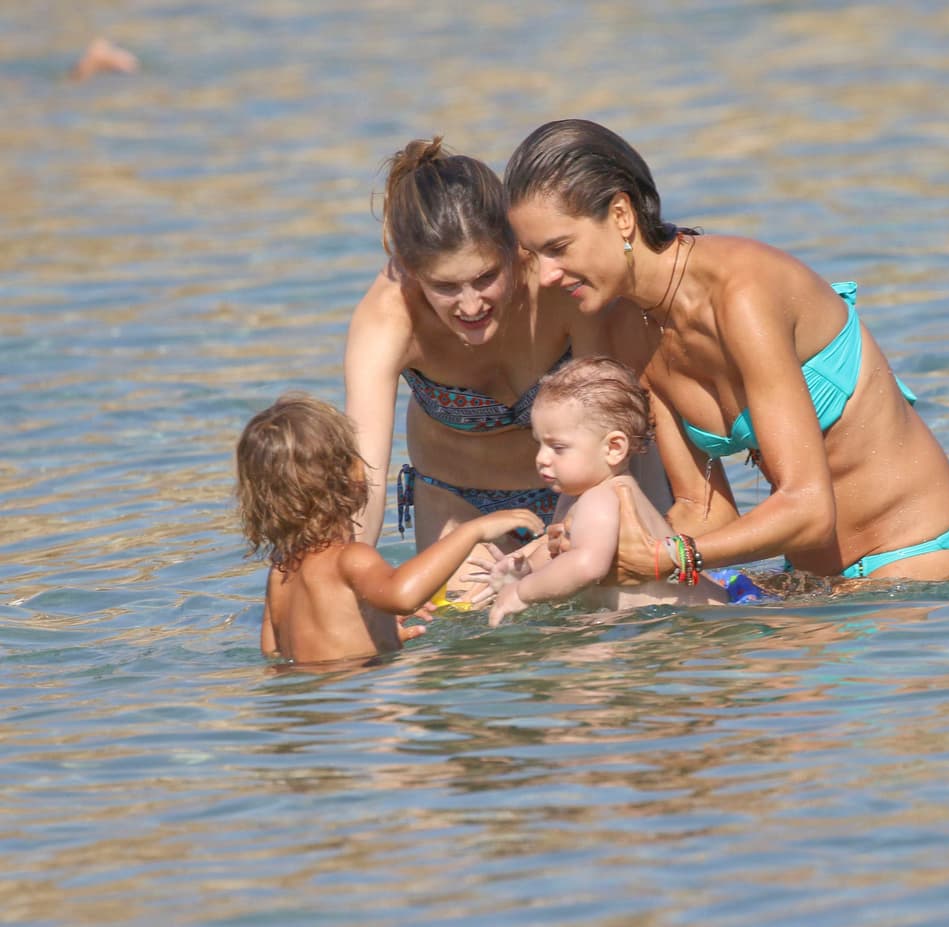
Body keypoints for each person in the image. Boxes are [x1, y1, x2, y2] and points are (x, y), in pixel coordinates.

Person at [504, 118, 949, 586]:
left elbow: (811, 510)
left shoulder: (742, 294)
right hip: (811, 584)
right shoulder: (630, 327)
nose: (547, 275)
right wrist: (577, 548)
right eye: (535, 256)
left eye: (559, 248)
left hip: (920, 561)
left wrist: (673, 557)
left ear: (622, 216)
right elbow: (703, 509)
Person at [342, 137, 610, 602]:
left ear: (513, 247)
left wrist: (559, 545)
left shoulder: (555, 283)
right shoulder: (389, 317)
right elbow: (364, 478)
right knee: (473, 653)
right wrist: (346, 594)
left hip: (583, 493)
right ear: (409, 269)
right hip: (460, 505)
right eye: (445, 286)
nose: (470, 305)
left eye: (486, 277)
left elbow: (609, 422)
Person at [235, 392, 545, 664]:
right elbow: (402, 595)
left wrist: (373, 626)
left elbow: (274, 652)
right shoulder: (352, 558)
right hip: (358, 703)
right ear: (349, 476)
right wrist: (473, 530)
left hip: (314, 710)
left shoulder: (281, 570)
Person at [486, 356, 749, 626]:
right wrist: (526, 571)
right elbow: (563, 555)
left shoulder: (602, 497)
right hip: (669, 618)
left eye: (558, 447)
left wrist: (522, 592)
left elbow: (587, 565)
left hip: (697, 621)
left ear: (613, 448)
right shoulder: (577, 494)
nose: (542, 458)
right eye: (539, 444)